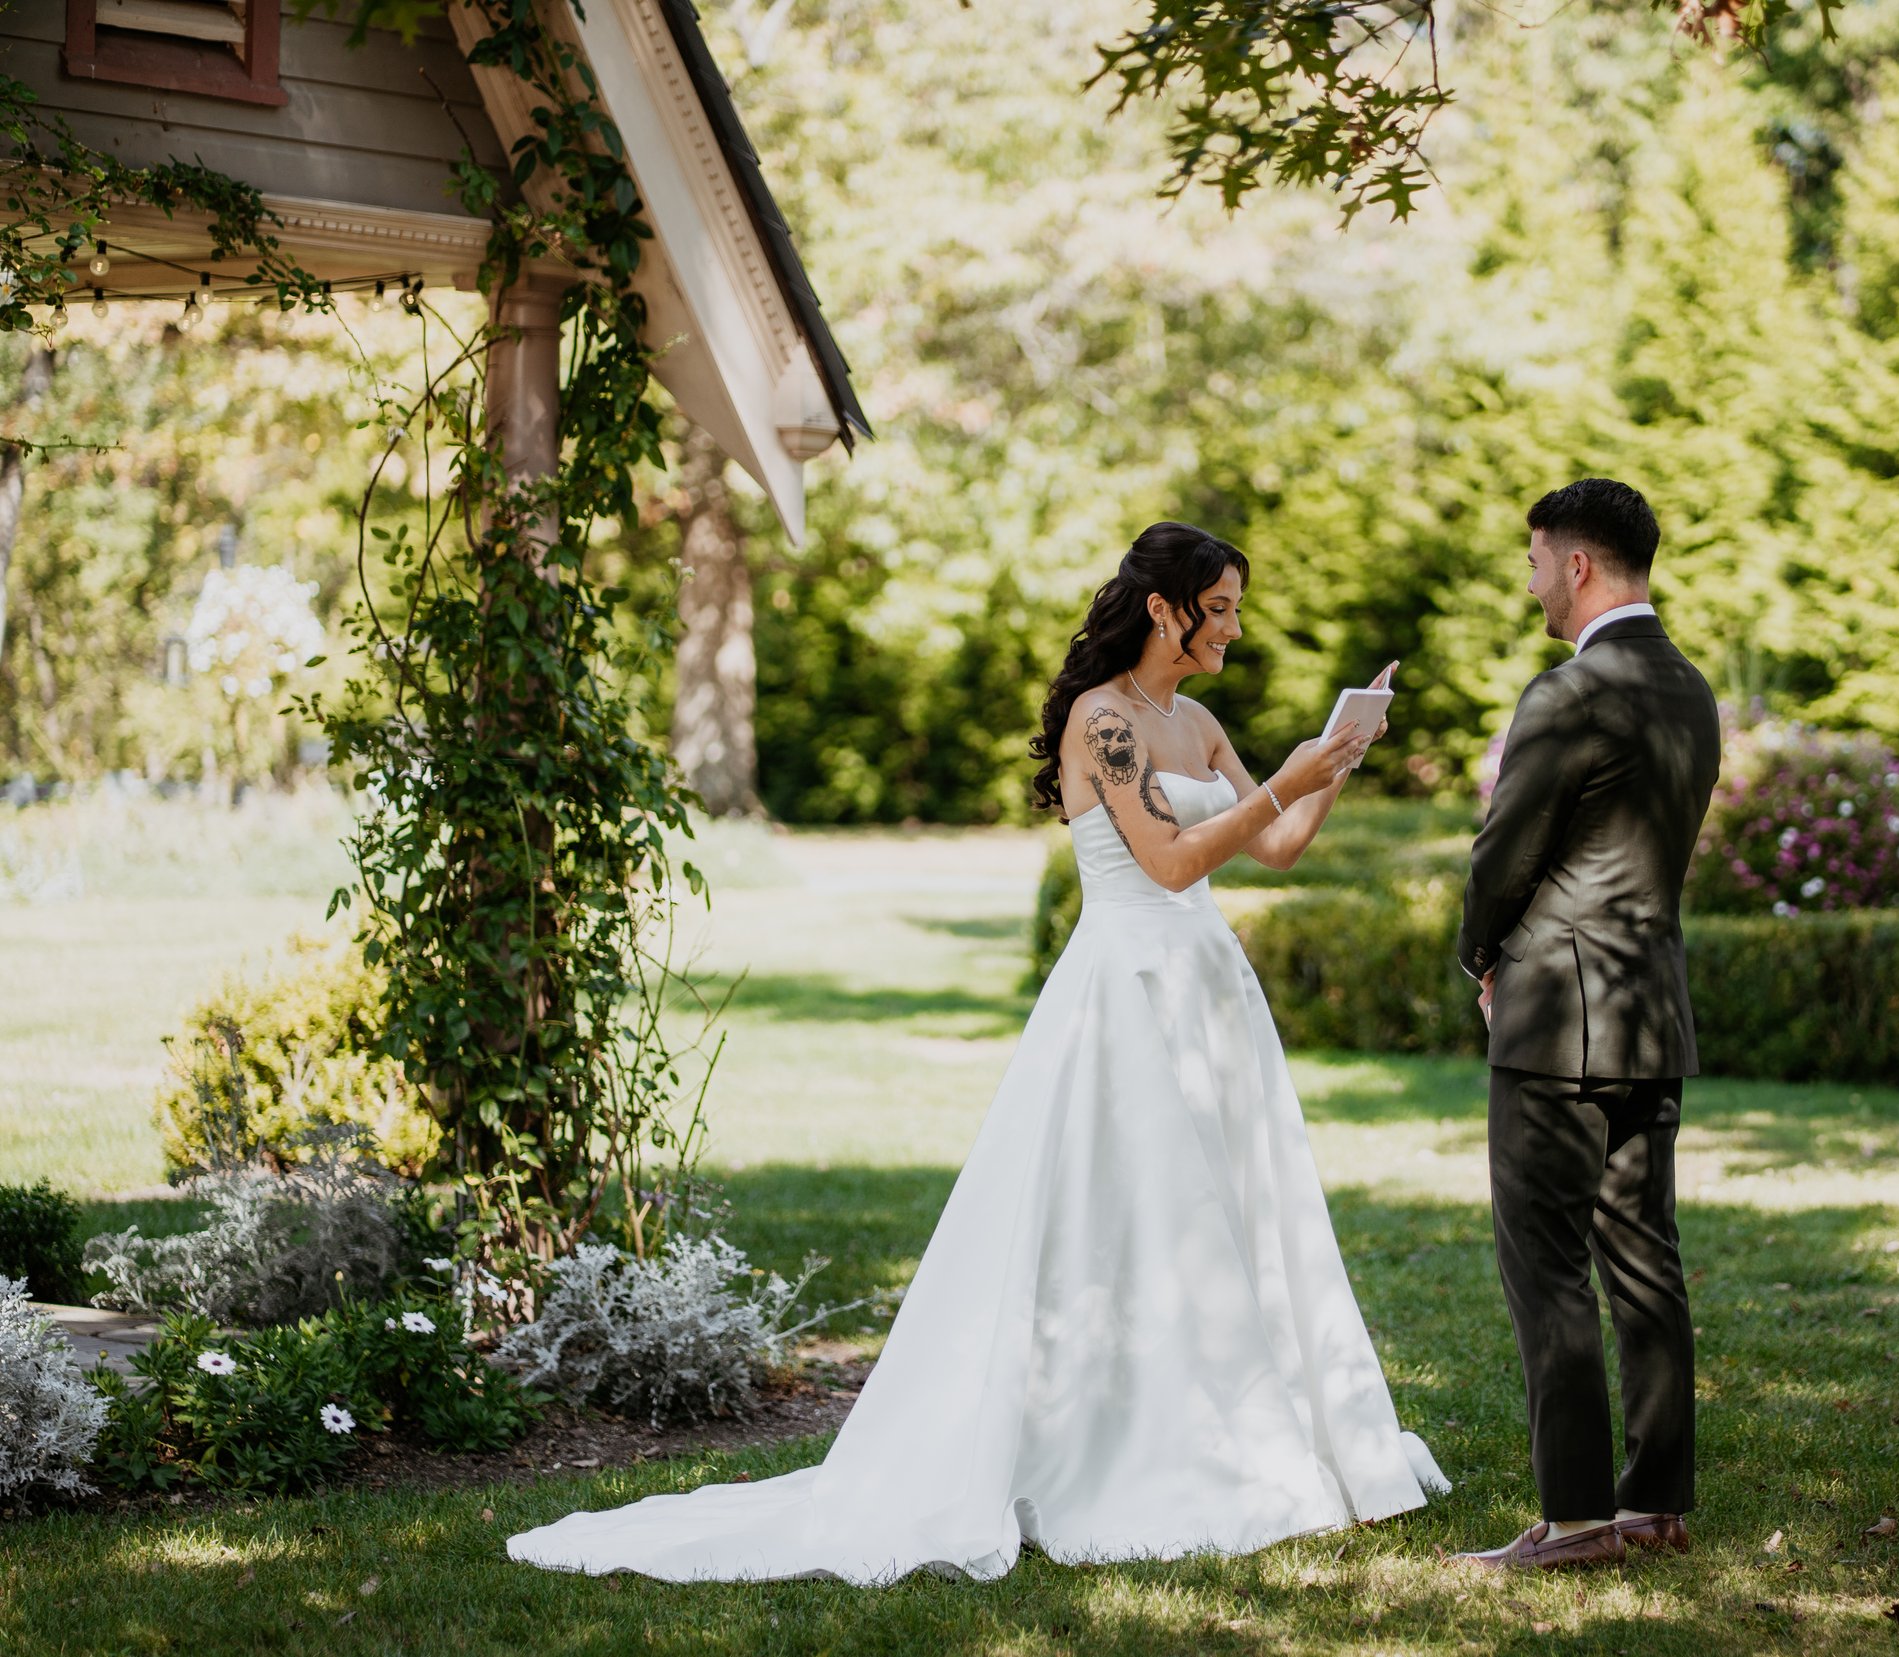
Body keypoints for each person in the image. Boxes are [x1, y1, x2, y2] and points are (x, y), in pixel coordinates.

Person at [506, 521, 1445, 1585]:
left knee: (1227, 1207)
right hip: (1129, 991)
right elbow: (1172, 861)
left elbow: (1276, 845)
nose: (1233, 626)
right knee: (1133, 1207)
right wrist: (1287, 777)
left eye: (1235, 607)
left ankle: (1236, 1423)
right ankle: (1121, 1441)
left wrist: (1335, 762)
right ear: (1163, 608)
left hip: (1209, 992)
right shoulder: (1104, 719)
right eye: (1218, 606)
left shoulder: (1199, 722)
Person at [1451, 479, 1721, 1573]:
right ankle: (1653, 1505)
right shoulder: (1691, 688)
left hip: (1557, 1016)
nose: (1530, 586)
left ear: (1576, 564)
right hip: (1650, 1009)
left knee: (1548, 1266)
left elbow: (1505, 850)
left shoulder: (1569, 690)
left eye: (1534, 563)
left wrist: (1481, 956)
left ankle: (1571, 1522)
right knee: (1645, 1259)